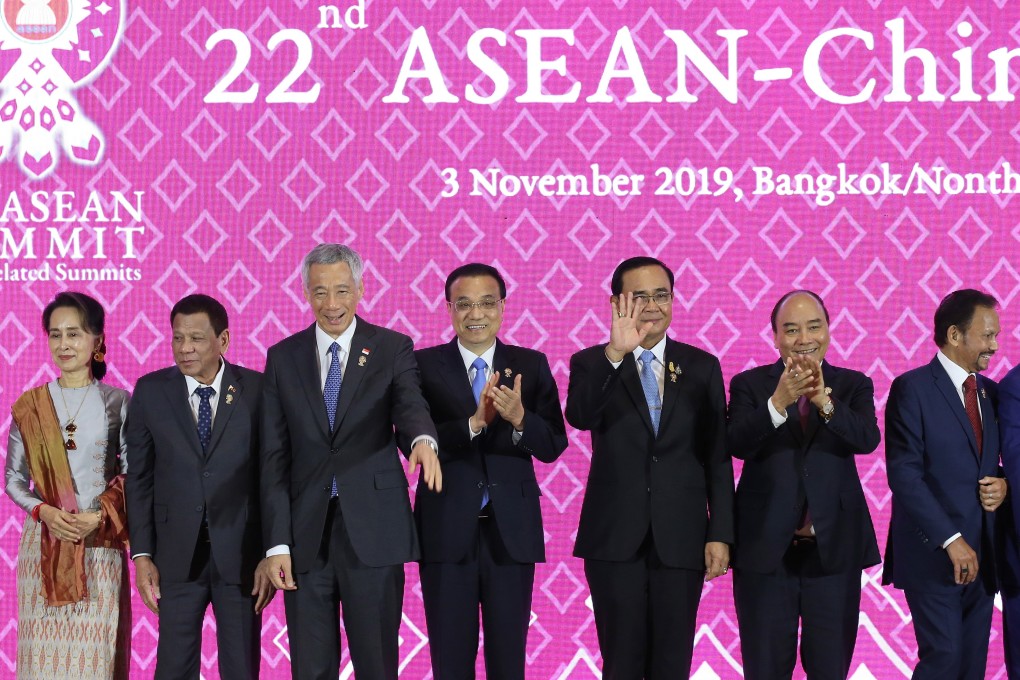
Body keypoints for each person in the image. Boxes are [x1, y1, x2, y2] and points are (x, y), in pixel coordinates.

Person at [260, 243, 442, 680]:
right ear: (305, 292)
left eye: (342, 290)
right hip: (306, 536)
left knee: (377, 663)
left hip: (373, 529)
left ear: (361, 289)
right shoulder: (283, 357)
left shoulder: (392, 347)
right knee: (310, 666)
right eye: (320, 292)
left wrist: (421, 439)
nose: (332, 304)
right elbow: (273, 456)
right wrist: (277, 543)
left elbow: (409, 403)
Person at [565, 256, 734, 679]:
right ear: (616, 303)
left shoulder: (701, 366)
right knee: (621, 662)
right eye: (640, 296)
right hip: (614, 540)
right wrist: (616, 353)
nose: (653, 305)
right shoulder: (592, 362)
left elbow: (717, 456)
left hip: (682, 538)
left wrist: (721, 533)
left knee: (672, 663)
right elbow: (580, 415)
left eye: (662, 295)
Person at [414, 263, 567, 679]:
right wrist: (473, 424)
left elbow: (554, 443)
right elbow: (408, 437)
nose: (475, 314)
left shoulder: (530, 365)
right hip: (446, 530)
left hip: (510, 534)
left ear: (502, 307)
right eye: (464, 304)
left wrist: (520, 420)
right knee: (450, 658)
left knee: (508, 660)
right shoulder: (422, 366)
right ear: (448, 309)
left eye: (486, 303)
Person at [727, 290, 881, 679]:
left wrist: (825, 402)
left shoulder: (853, 385)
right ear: (775, 336)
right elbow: (736, 443)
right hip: (765, 550)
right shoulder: (749, 384)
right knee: (764, 667)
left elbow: (866, 439)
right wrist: (777, 403)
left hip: (833, 551)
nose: (803, 338)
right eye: (791, 329)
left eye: (814, 326)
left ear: (828, 329)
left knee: (830, 667)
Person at [125, 294, 273, 679]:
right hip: (175, 557)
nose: (185, 348)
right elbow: (138, 479)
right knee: (172, 666)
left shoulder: (258, 391)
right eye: (177, 338)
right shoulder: (151, 392)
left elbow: (272, 478)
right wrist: (142, 555)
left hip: (242, 557)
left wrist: (270, 552)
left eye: (196, 338)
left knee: (241, 667)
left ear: (223, 340)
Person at [4, 291, 130, 679]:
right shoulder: (31, 405)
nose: (64, 344)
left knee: (93, 659)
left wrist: (98, 516)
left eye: (74, 334)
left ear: (97, 340)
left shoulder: (118, 402)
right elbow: (13, 479)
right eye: (55, 335)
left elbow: (134, 474)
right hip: (44, 543)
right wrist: (43, 510)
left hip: (98, 545)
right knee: (42, 662)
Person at [884, 289, 1007, 680]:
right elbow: (904, 473)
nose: (994, 345)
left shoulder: (990, 393)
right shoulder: (912, 388)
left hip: (983, 556)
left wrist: (1002, 485)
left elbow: (991, 464)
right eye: (987, 335)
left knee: (971, 666)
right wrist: (952, 540)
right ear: (955, 335)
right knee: (944, 658)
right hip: (934, 556)